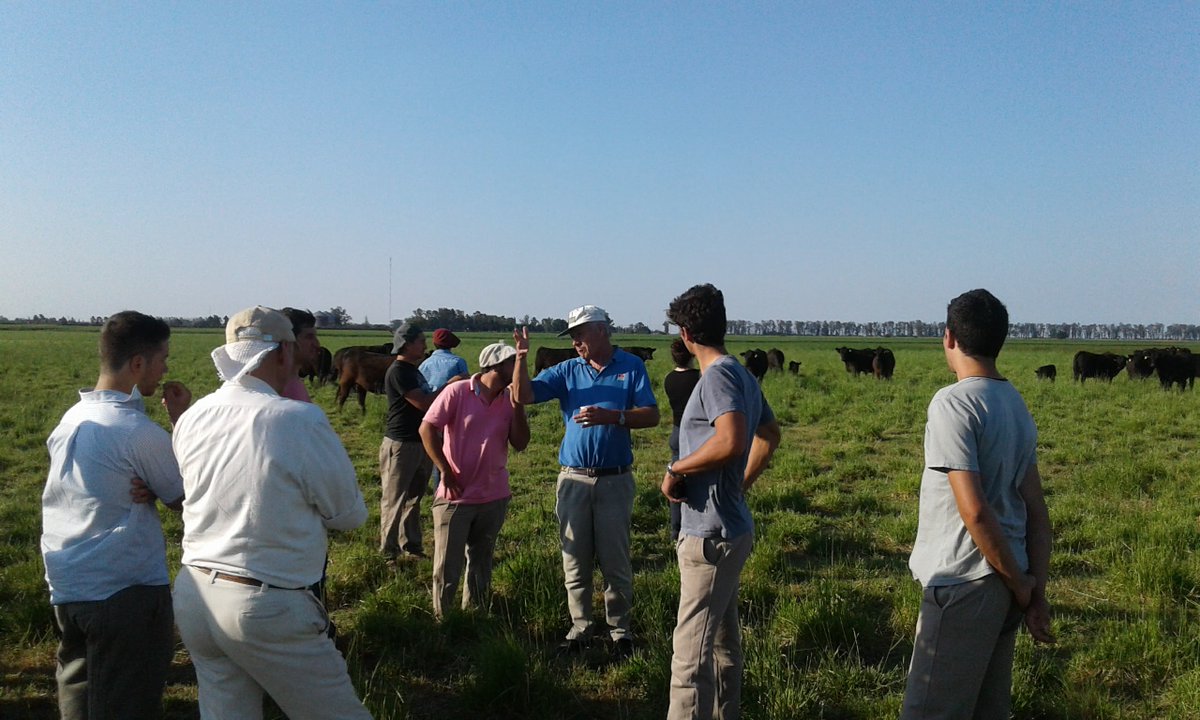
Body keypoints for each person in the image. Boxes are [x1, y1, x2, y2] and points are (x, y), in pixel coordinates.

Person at [171, 306, 371, 720]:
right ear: (283, 351)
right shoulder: (296, 419)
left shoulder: (193, 416)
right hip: (266, 601)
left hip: (195, 594)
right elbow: (349, 513)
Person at [901, 289, 1054, 720]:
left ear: (948, 338)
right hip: (1009, 584)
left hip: (965, 581)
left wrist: (1024, 586)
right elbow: (1038, 515)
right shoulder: (1014, 403)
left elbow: (976, 511)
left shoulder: (953, 402)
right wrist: (1031, 590)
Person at [40, 310, 191, 720]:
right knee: (128, 702)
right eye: (163, 359)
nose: (165, 369)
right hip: (124, 590)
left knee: (78, 695)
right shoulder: (135, 431)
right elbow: (185, 498)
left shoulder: (71, 419)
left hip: (69, 582)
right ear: (138, 363)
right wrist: (181, 422)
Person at [660, 284, 781, 720]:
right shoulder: (742, 374)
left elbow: (731, 441)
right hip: (729, 527)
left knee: (689, 658)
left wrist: (678, 469)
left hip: (709, 536)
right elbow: (769, 435)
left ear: (686, 334)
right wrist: (738, 487)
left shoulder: (717, 377)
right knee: (723, 645)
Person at [512, 304, 660, 660]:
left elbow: (652, 415)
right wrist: (520, 357)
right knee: (574, 559)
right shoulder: (567, 370)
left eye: (580, 334)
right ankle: (580, 627)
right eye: (573, 336)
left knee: (616, 560)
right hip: (574, 480)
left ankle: (620, 630)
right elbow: (523, 396)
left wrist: (615, 416)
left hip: (614, 480)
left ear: (601, 331)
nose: (576, 342)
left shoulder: (631, 366)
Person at [419, 341, 529, 619]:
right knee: (447, 566)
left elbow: (521, 443)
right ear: (494, 365)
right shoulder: (458, 392)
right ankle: (444, 620)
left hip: (494, 496)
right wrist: (443, 468)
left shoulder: (509, 399)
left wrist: (517, 407)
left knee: (481, 562)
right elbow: (427, 428)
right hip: (455, 496)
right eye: (511, 363)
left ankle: (476, 615)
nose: (517, 370)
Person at [380, 322, 439, 562]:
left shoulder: (413, 370)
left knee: (414, 498)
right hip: (402, 444)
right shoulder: (399, 371)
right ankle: (388, 553)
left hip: (419, 441)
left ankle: (411, 547)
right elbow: (423, 403)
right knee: (394, 499)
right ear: (407, 344)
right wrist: (450, 386)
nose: (425, 344)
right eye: (421, 341)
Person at [663, 337, 701, 539]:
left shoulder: (669, 379)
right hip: (696, 433)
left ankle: (675, 530)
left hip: (677, 431)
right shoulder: (700, 377)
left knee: (676, 479)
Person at [280, 307, 321, 402]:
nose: (317, 344)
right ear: (288, 341)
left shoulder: (294, 382)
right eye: (309, 337)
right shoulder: (281, 391)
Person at [419, 328, 470, 392]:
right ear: (451, 344)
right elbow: (466, 386)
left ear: (434, 343)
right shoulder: (458, 362)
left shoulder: (424, 364)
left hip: (430, 400)